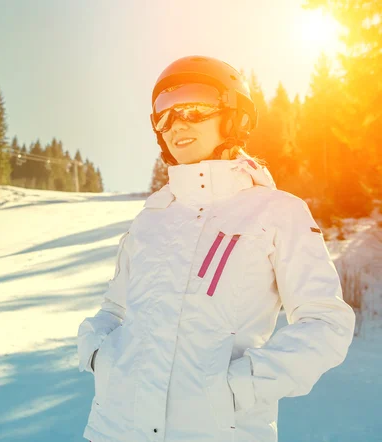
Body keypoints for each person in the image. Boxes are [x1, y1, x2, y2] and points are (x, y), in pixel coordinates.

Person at [77, 55, 355, 442]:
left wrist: (239, 388)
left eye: (194, 105)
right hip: (114, 428)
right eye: (164, 114)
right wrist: (99, 355)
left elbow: (325, 323)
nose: (178, 123)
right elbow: (114, 309)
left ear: (234, 115)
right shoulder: (152, 218)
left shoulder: (277, 211)